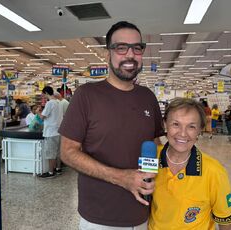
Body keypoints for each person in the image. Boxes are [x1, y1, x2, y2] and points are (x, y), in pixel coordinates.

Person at [59, 21, 163, 229]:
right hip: (99, 217)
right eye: (121, 47)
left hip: (144, 212)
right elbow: (68, 152)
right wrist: (121, 178)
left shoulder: (148, 97)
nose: (130, 55)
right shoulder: (86, 96)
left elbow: (155, 142)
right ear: (109, 54)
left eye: (137, 48)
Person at [149, 98, 231, 230]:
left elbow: (227, 223)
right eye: (176, 124)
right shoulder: (152, 158)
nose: (182, 133)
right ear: (165, 124)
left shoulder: (214, 172)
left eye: (191, 126)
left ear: (200, 130)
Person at [38, 86, 63, 178]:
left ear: (46, 93)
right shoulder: (59, 102)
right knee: (57, 152)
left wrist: (38, 112)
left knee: (51, 153)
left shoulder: (50, 103)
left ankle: (50, 173)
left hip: (51, 132)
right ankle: (58, 169)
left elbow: (42, 117)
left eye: (43, 94)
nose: (43, 96)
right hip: (58, 131)